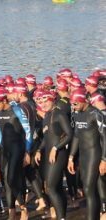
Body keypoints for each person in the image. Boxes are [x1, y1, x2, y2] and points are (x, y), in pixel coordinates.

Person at [67, 89, 106, 220]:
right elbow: (76, 137)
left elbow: (105, 137)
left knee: (89, 189)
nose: (73, 106)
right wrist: (71, 157)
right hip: (83, 156)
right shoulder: (78, 114)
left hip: (95, 155)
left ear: (83, 100)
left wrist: (104, 159)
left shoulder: (96, 114)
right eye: (72, 104)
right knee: (89, 188)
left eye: (75, 104)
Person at [34, 91, 73, 220]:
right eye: (41, 102)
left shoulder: (59, 114)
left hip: (59, 154)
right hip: (49, 154)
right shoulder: (47, 115)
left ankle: (61, 217)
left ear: (53, 100)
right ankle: (63, 215)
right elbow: (47, 137)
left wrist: (56, 148)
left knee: (50, 187)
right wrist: (39, 150)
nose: (43, 104)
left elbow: (69, 134)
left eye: (46, 101)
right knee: (57, 187)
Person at [0, 89, 29, 220]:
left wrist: (27, 151)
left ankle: (24, 208)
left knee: (11, 179)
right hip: (6, 150)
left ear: (4, 100)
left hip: (17, 149)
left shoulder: (16, 110)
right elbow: (1, 134)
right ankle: (12, 211)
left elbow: (28, 131)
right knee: (7, 183)